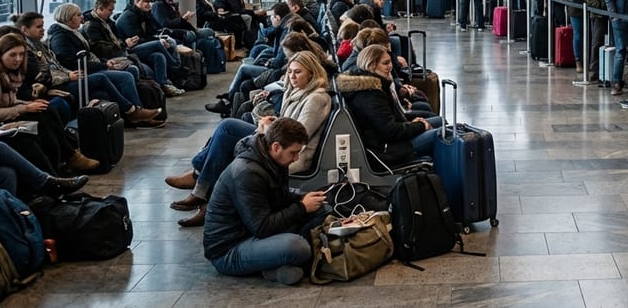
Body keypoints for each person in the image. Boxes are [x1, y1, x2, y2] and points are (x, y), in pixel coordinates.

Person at [168, 50, 332, 227]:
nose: (292, 76)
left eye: (298, 72)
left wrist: (267, 129)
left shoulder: (316, 98)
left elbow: (299, 136)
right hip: (278, 141)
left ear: (312, 72)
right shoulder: (297, 91)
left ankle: (201, 186)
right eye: (290, 71)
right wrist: (271, 123)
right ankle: (202, 187)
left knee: (228, 132)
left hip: (290, 153)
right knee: (227, 129)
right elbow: (288, 125)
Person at [202, 117, 324, 285]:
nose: (296, 158)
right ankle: (274, 263)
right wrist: (302, 207)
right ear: (276, 147)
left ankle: (273, 265)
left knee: (319, 212)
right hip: (228, 251)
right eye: (293, 152)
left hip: (251, 234)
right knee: (298, 246)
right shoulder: (248, 172)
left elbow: (276, 199)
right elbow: (261, 227)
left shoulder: (271, 160)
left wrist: (304, 199)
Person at [0, 32, 99, 173]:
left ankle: (66, 158)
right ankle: (59, 166)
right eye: (12, 55)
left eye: (21, 54)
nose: (18, 59)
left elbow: (10, 102)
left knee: (47, 109)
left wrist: (27, 104)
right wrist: (26, 108)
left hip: (0, 118)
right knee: (39, 118)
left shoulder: (7, 72)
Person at [48, 3, 160, 127]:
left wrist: (104, 62)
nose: (82, 17)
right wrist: (103, 65)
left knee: (132, 69)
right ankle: (133, 112)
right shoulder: (61, 37)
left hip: (89, 67)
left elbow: (89, 54)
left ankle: (136, 112)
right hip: (81, 73)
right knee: (126, 76)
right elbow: (72, 62)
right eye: (78, 15)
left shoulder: (74, 33)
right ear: (68, 18)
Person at [339, 44, 442, 168]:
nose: (390, 66)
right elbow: (391, 132)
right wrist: (419, 126)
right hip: (388, 150)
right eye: (386, 63)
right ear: (371, 65)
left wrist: (412, 123)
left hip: (387, 142)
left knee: (440, 122)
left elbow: (389, 121)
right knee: (444, 134)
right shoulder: (370, 94)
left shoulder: (372, 85)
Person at [83, 0, 183, 97]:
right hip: (119, 53)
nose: (112, 12)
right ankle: (177, 68)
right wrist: (125, 43)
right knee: (160, 44)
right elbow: (101, 48)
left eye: (150, 2)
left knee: (159, 55)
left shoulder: (110, 21)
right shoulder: (93, 26)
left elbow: (149, 32)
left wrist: (126, 41)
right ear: (100, 9)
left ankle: (162, 86)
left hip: (125, 48)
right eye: (110, 10)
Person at [582, 0, 619, 85]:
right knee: (597, 41)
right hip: (598, 12)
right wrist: (597, 5)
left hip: (615, 12)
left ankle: (614, 73)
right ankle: (595, 70)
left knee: (616, 43)